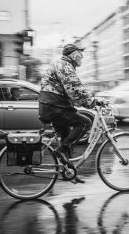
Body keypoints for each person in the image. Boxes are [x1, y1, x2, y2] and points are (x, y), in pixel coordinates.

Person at [38, 44, 106, 183]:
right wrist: (92, 102)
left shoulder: (64, 65)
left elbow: (76, 88)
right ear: (73, 55)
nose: (82, 57)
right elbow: (74, 89)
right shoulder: (64, 66)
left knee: (66, 137)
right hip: (54, 106)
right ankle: (61, 151)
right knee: (85, 123)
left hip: (53, 106)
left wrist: (90, 99)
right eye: (80, 54)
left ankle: (69, 171)